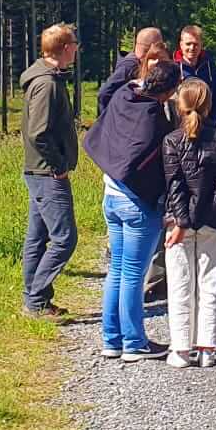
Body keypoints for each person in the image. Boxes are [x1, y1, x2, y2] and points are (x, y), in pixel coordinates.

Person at [85, 37, 177, 360]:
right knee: (133, 275)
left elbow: (112, 92)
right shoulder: (154, 120)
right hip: (136, 203)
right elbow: (157, 166)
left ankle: (112, 340)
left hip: (110, 195)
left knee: (118, 270)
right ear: (168, 93)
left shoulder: (126, 95)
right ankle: (134, 343)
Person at [162, 76, 216, 369]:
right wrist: (206, 214)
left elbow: (175, 185)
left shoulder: (171, 141)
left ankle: (181, 349)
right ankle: (208, 348)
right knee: (210, 282)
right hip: (213, 220)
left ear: (179, 106)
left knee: (180, 282)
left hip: (178, 223)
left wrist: (183, 221)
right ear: (209, 106)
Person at [20, 23, 81, 318]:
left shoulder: (48, 77)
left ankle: (37, 301)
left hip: (40, 171)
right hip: (46, 173)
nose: (77, 49)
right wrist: (58, 165)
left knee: (37, 237)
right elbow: (38, 132)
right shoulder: (46, 83)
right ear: (66, 48)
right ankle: (35, 299)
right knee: (65, 239)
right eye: (74, 44)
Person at [175, 24, 216, 133]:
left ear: (201, 45)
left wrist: (213, 122)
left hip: (208, 126)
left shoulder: (210, 66)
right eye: (188, 44)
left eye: (195, 44)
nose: (192, 48)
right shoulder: (173, 68)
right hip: (181, 128)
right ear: (181, 44)